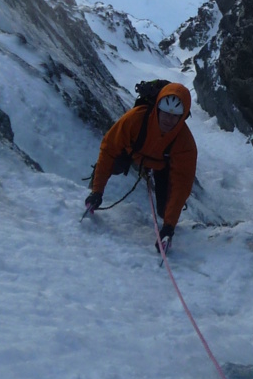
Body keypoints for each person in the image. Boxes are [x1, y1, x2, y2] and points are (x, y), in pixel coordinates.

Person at [84, 82, 197, 252]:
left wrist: (168, 226)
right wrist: (97, 191)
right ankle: (94, 186)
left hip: (161, 166)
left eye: (175, 116)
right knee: (112, 164)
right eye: (165, 113)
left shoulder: (185, 143)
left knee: (164, 210)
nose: (168, 119)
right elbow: (109, 149)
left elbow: (182, 184)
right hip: (132, 153)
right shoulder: (135, 119)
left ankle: (166, 217)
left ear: (183, 117)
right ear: (157, 108)